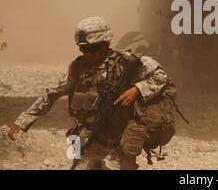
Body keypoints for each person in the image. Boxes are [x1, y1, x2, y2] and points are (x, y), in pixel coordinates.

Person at [7, 16, 176, 170]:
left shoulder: (127, 63)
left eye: (94, 48)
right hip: (89, 134)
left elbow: (161, 77)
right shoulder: (78, 67)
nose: (88, 54)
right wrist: (24, 120)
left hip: (120, 137)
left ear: (106, 43)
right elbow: (53, 93)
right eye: (84, 49)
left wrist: (137, 89)